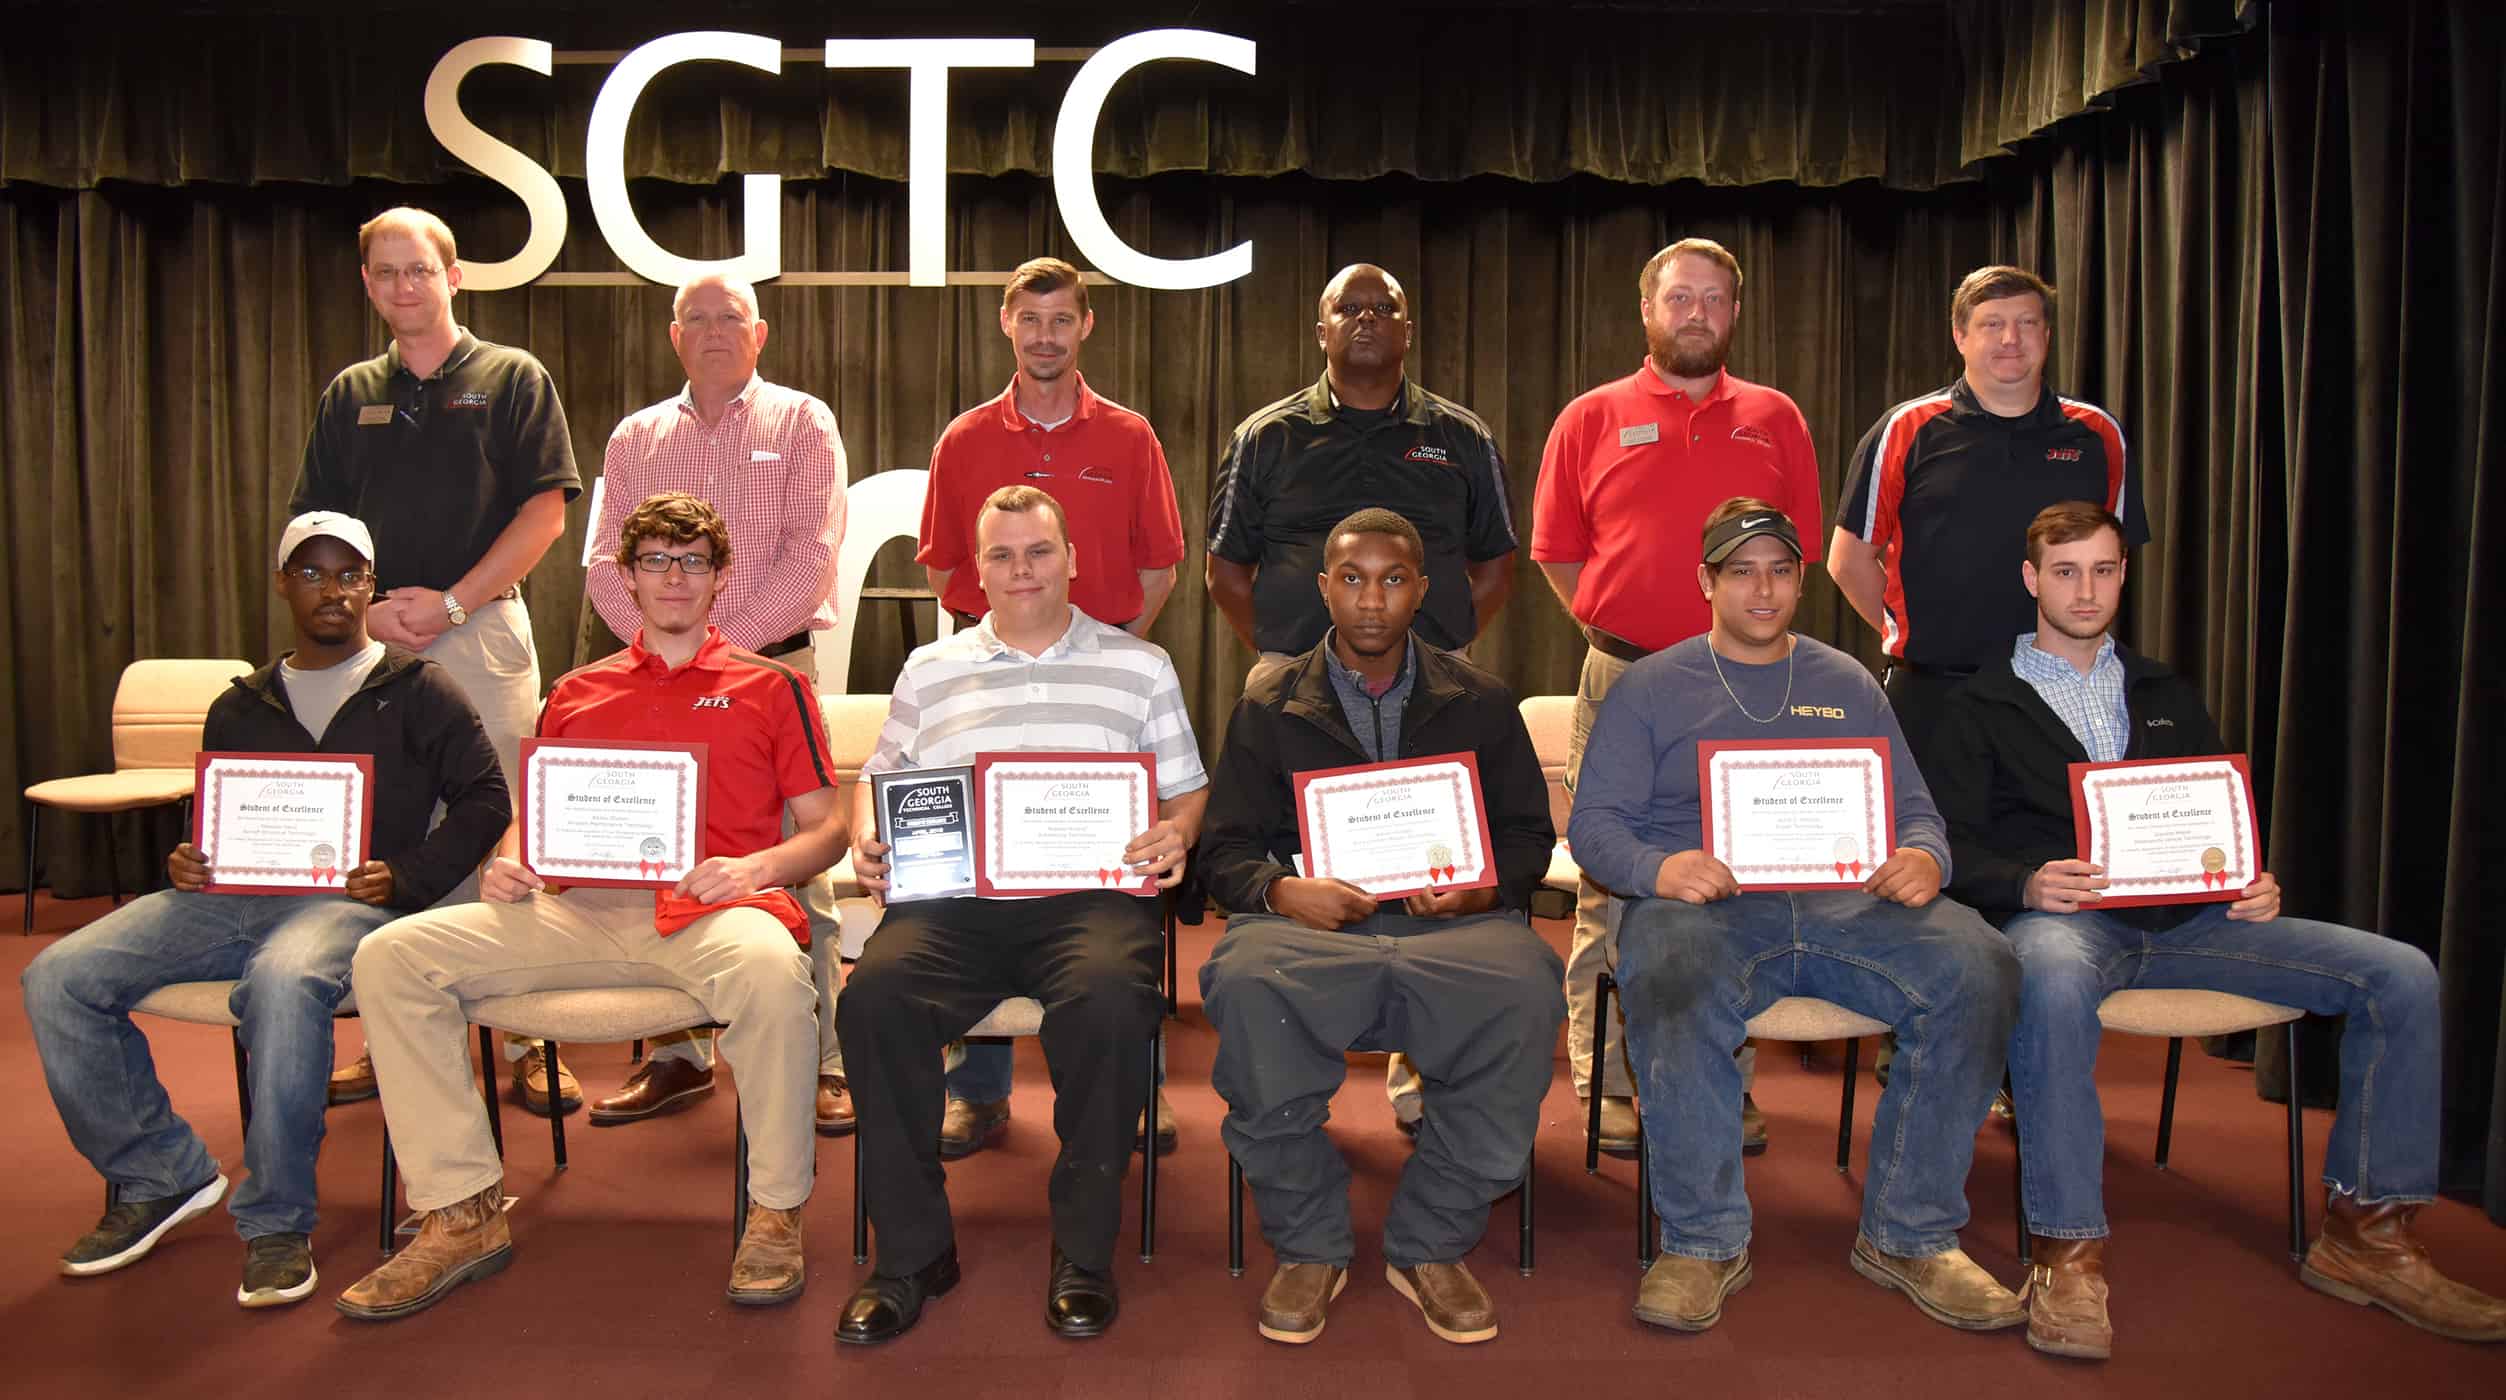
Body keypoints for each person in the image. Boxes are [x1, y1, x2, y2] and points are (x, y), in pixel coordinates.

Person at [1930, 501, 2506, 1357]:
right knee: (2046, 971)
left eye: (2102, 569)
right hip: (2068, 930)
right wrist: (2022, 879)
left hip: (2192, 923)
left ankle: (2367, 1237)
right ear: (2031, 580)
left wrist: (2247, 876)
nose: (2085, 590)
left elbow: (2213, 816)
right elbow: (1944, 841)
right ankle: (2068, 1253)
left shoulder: (2166, 690)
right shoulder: (1978, 701)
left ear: (2124, 574)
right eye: (2065, 571)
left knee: (2401, 973)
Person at [334, 492, 843, 1319]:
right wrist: (510, 863)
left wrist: (755, 869)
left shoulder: (771, 687)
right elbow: (533, 821)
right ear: (626, 580)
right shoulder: (576, 691)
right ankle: (462, 1209)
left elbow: (828, 831)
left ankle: (775, 1211)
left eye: (693, 562)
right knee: (391, 955)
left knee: (772, 971)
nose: (674, 577)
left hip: (713, 913)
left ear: (720, 579)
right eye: (655, 561)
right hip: (575, 913)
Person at [23, 512, 507, 1308]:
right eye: (312, 573)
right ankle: (160, 1173)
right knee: (57, 977)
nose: (333, 591)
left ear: (370, 586)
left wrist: (408, 876)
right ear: (283, 584)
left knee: (281, 982)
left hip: (355, 909)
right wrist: (186, 860)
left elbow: (486, 800)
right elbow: (209, 828)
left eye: (350, 575)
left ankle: (276, 1220)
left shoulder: (419, 689)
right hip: (232, 901)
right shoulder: (240, 704)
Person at [1569, 497, 2024, 1336]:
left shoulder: (1846, 681)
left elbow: (1916, 811)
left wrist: (1926, 857)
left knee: (1979, 963)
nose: (1764, 589)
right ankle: (1704, 1241)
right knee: (1667, 965)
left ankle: (1910, 1232)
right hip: (1703, 912)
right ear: (1706, 581)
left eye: (1780, 570)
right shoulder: (1650, 687)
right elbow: (1595, 827)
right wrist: (1657, 867)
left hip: (1847, 904)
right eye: (1741, 571)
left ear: (1802, 579)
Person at [835, 485, 1205, 1345]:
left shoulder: (1138, 666)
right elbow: (877, 778)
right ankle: (913, 1256)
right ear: (975, 571)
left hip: (1091, 902)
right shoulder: (932, 669)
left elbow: (1186, 790)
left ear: (1072, 559)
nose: (1021, 570)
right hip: (952, 905)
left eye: (1038, 551)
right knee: (874, 1002)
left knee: (1114, 1004)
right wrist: (866, 837)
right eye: (1000, 555)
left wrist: (1177, 835)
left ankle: (1082, 1249)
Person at [1199, 508, 1563, 1346]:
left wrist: (1481, 892)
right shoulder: (1267, 701)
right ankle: (1309, 1243)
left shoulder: (1481, 701)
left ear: (1422, 592)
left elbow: (1526, 839)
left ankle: (1432, 1239)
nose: (1372, 601)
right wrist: (1282, 891)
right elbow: (1224, 848)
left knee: (1524, 987)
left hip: (1452, 929)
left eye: (1393, 580)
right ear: (1323, 588)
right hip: (1310, 928)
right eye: (1353, 580)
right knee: (1250, 983)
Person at [1206, 261, 1519, 1130]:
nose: (1368, 320)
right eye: (1349, 307)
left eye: (1386, 307)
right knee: (1290, 869)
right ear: (1321, 327)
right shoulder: (1266, 437)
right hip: (1297, 689)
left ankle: (1424, 1071)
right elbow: (1225, 567)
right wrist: (1279, 656)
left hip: (1425, 688)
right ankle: (1296, 1062)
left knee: (1426, 871)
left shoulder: (1459, 436)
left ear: (1409, 329)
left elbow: (1497, 561)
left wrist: (1443, 648)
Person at [1531, 236, 1823, 1156]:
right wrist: (1621, 626)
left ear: (1734, 315)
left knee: (1730, 882)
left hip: (1748, 683)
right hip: (1622, 676)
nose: (1696, 314)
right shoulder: (1590, 415)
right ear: (1647, 312)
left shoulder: (1775, 417)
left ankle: (1717, 1081)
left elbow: (1800, 549)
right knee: (1606, 883)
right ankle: (1607, 1083)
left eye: (1714, 300)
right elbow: (1560, 555)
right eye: (1678, 299)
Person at [291, 206, 584, 1115]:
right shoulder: (351, 393)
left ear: (454, 277)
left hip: (481, 628)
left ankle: (532, 1036)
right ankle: (398, 1034)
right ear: (368, 285)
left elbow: (547, 514)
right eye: (386, 272)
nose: (404, 285)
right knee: (393, 835)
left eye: (419, 269)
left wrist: (454, 601)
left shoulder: (512, 377)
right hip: (374, 642)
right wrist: (367, 609)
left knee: (506, 828)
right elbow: (317, 525)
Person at [916, 255, 1187, 1157]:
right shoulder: (962, 441)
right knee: (980, 885)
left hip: (1100, 694)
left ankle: (1129, 1089)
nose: (1044, 337)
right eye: (1029, 321)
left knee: (1114, 888)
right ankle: (981, 1091)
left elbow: (1160, 562)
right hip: (988, 689)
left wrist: (1101, 651)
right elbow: (946, 566)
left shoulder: (1131, 436)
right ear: (1006, 325)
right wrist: (1009, 642)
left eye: (1061, 320)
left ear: (1085, 327)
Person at [583, 272, 852, 1133]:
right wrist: (672, 650)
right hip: (653, 680)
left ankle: (820, 1057)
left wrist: (714, 653)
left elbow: (810, 559)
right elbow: (602, 565)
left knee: (792, 861)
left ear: (759, 331)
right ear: (672, 336)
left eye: (728, 316)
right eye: (693, 317)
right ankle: (674, 1055)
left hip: (768, 676)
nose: (711, 330)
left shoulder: (803, 421)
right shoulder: (635, 436)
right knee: (659, 854)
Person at [1827, 264, 2146, 776]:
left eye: (2026, 323)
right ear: (1960, 335)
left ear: (2047, 334)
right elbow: (1847, 561)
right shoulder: (1907, 429)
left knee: (2062, 852)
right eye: (1992, 323)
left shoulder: (2097, 435)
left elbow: (2112, 562)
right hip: (1935, 693)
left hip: (2063, 692)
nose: (2011, 339)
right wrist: (1922, 638)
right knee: (1929, 851)